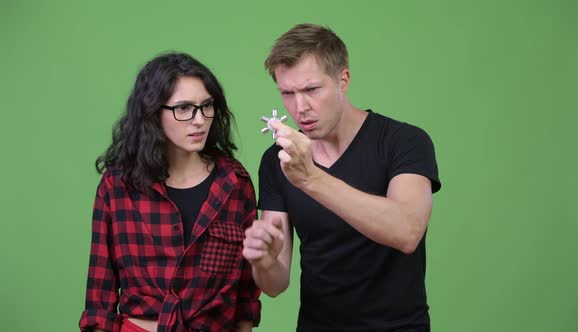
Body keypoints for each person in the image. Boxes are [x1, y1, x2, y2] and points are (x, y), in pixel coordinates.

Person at [242, 24, 441, 332]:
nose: (300, 107)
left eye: (311, 90)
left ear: (342, 80)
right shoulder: (278, 161)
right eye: (287, 94)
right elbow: (275, 284)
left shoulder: (403, 141)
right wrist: (264, 260)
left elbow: (407, 231)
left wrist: (311, 179)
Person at [79, 53, 261, 332]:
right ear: (153, 112)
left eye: (207, 106)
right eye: (184, 108)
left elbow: (246, 294)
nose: (199, 120)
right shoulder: (117, 186)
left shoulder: (234, 183)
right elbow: (99, 299)